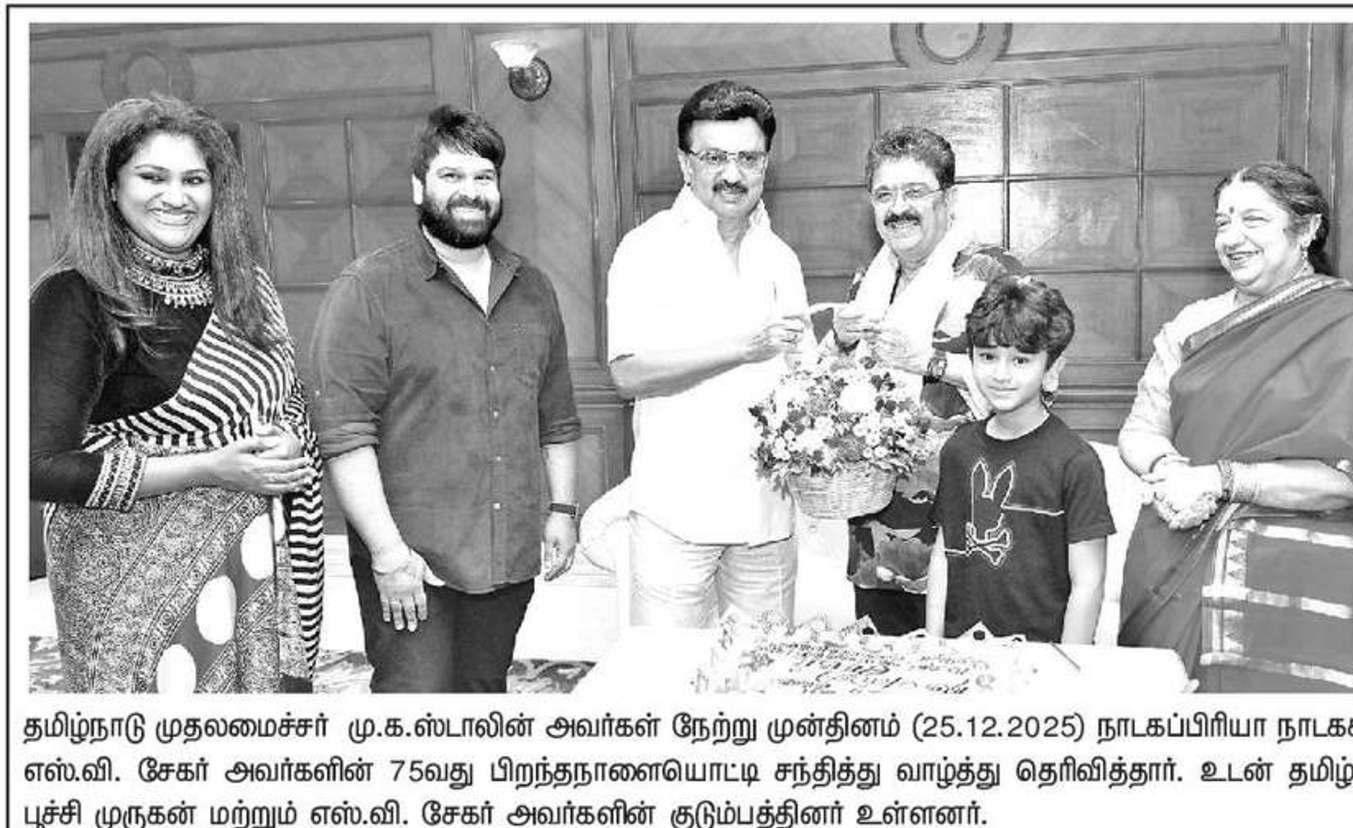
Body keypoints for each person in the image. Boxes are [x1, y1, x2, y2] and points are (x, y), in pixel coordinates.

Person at [28, 94, 324, 692]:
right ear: (111, 187)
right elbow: (37, 466)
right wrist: (209, 468)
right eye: (152, 177)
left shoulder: (243, 285)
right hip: (129, 590)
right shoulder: (76, 295)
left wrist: (287, 440)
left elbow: (285, 400)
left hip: (256, 571)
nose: (177, 196)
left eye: (194, 179)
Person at [1115, 161, 1353, 692]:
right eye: (1222, 222)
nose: (1232, 237)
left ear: (1306, 229)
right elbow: (1140, 429)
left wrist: (1220, 480)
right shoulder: (1193, 325)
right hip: (1180, 554)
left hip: (1309, 587)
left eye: (1254, 220)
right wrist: (1169, 470)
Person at [310, 105, 581, 693]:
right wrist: (387, 555)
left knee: (484, 694)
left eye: (484, 177)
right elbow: (345, 436)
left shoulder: (533, 288)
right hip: (411, 560)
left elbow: (557, 416)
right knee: (417, 710)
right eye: (451, 175)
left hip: (506, 557)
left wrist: (563, 509)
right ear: (419, 187)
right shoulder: (367, 289)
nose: (471, 191)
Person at [604, 80, 809, 627]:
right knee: (670, 670)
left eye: (749, 158)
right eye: (714, 157)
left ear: (766, 164)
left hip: (767, 516)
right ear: (685, 163)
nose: (732, 174)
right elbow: (627, 374)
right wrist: (742, 349)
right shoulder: (646, 248)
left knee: (766, 670)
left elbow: (802, 374)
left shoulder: (780, 257)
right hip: (676, 514)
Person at [831, 126, 1024, 635]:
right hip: (878, 527)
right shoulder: (868, 283)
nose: (898, 208)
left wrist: (931, 362)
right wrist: (841, 344)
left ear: (949, 199)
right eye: (884, 195)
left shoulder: (993, 273)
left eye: (915, 192)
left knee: (972, 669)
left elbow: (1036, 385)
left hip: (970, 516)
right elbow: (842, 397)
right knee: (884, 668)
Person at [924, 276, 1113, 644]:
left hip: (1042, 657)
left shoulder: (1076, 461)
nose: (1001, 374)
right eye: (988, 356)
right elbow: (944, 555)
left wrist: (1067, 664)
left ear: (1052, 369)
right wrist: (934, 645)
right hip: (962, 653)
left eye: (1021, 360)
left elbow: (1088, 583)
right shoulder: (958, 449)